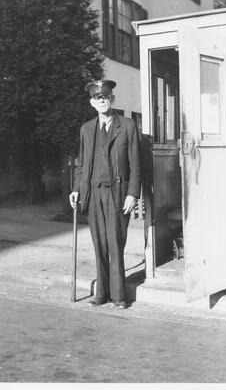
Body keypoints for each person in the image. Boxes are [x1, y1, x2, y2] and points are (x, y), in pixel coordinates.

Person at [69, 79, 141, 309]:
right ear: (92, 102)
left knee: (115, 243)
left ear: (112, 99)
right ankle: (102, 293)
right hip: (93, 194)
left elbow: (136, 164)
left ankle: (119, 296)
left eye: (106, 97)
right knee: (99, 244)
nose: (102, 101)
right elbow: (81, 164)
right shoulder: (86, 129)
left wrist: (133, 194)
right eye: (97, 99)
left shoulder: (127, 126)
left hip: (118, 193)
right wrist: (76, 188)